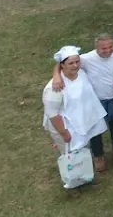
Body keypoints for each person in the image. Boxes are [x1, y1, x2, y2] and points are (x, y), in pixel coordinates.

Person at [50, 34, 113, 169]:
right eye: (104, 48)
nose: (108, 50)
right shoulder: (86, 59)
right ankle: (98, 156)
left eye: (110, 47)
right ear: (96, 47)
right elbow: (61, 63)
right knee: (94, 129)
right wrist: (56, 75)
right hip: (96, 101)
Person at [42, 46, 108, 177]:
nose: (75, 65)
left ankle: (85, 177)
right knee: (70, 155)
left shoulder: (81, 73)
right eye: (70, 63)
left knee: (83, 151)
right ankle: (72, 183)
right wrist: (64, 133)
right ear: (62, 66)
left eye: (77, 62)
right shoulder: (54, 87)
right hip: (66, 126)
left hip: (83, 120)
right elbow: (53, 114)